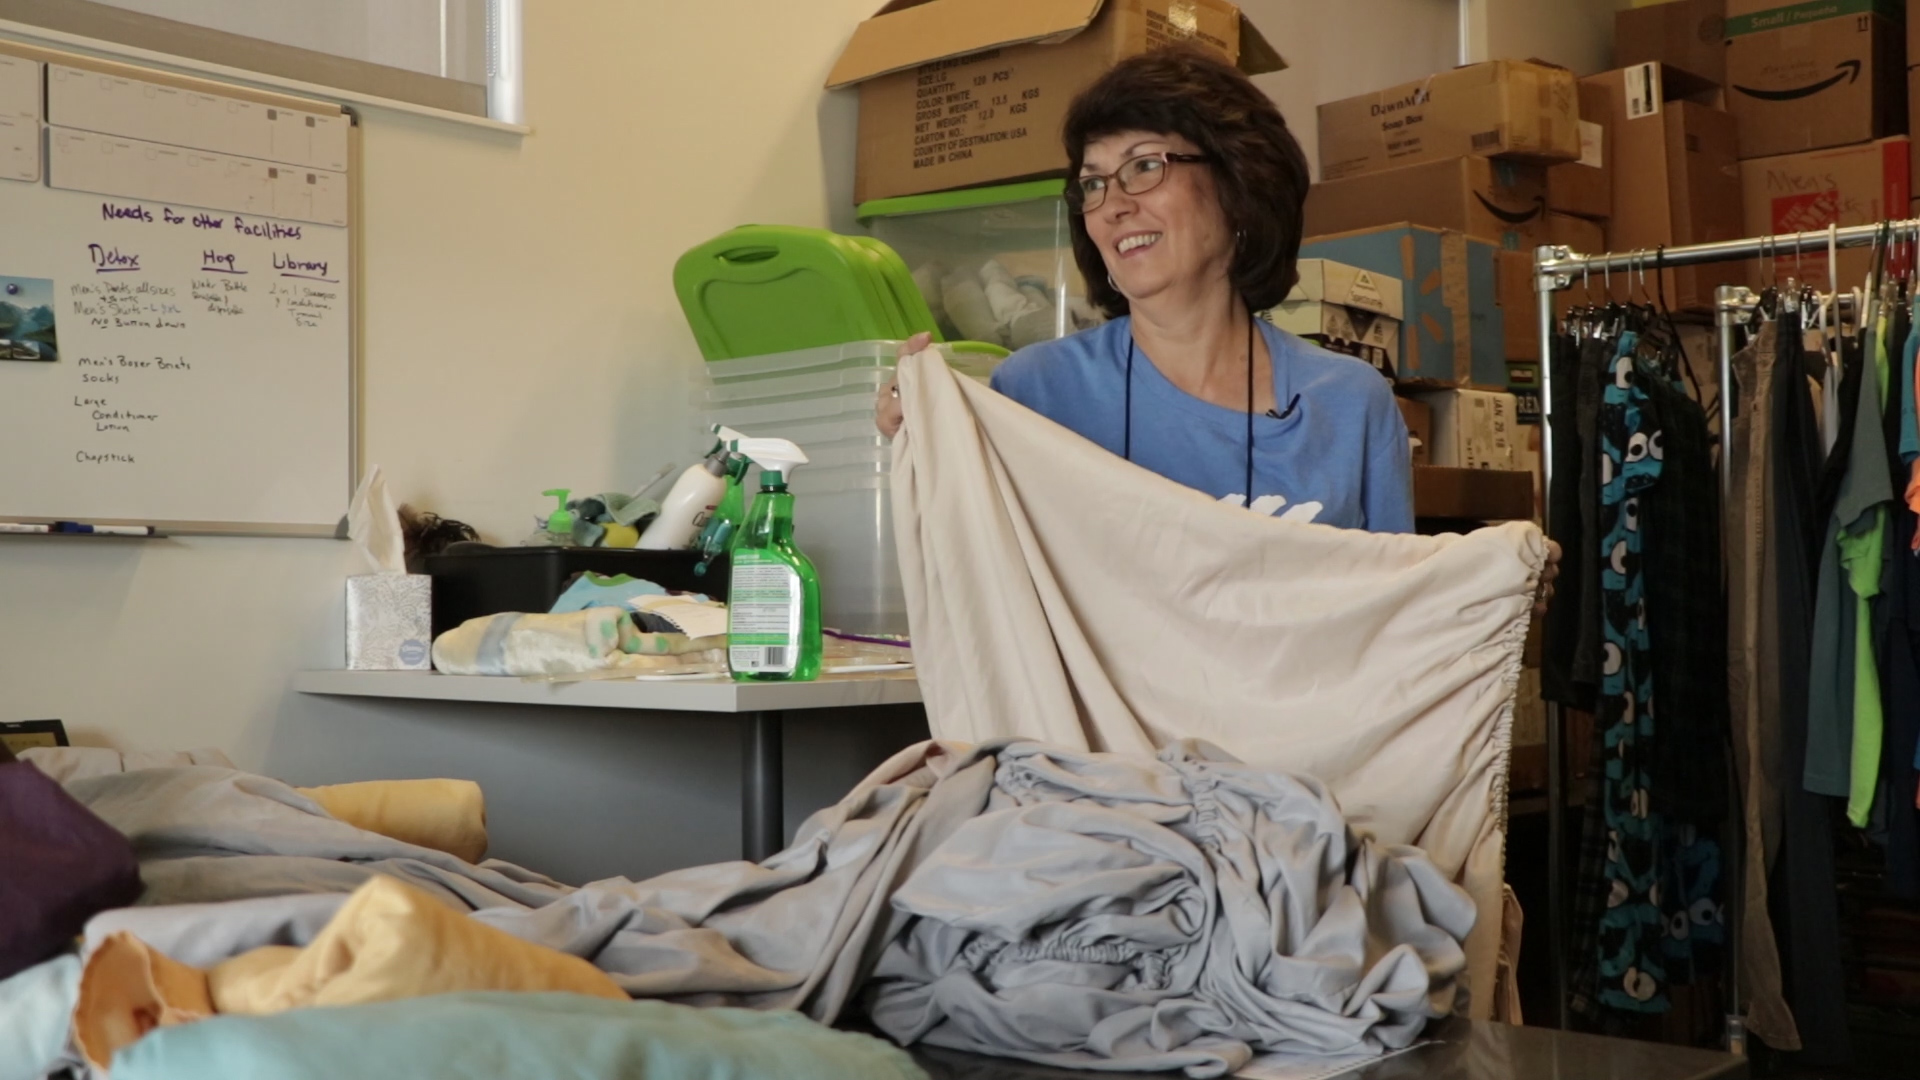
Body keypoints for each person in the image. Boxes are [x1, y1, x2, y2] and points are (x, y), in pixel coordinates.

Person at [878, 46, 1558, 596]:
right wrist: (915, 448)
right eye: (1093, 182)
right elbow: (973, 590)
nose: (1112, 204)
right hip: (1098, 763)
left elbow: (1391, 625)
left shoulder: (1349, 406)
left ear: (1237, 185)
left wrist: (1495, 576)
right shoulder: (1035, 395)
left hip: (1297, 759)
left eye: (1144, 166)